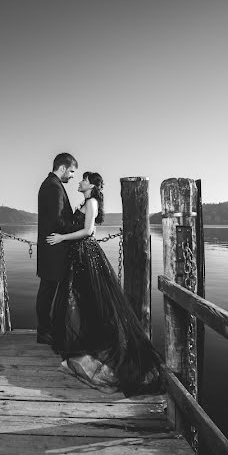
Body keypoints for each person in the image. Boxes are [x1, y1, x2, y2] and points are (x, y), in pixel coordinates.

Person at [45, 172, 160, 395]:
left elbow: (88, 231)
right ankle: (86, 339)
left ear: (92, 185)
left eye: (83, 180)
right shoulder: (86, 202)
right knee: (81, 299)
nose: (79, 182)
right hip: (78, 255)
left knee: (92, 298)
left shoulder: (92, 202)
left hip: (86, 254)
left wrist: (61, 238)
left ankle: (97, 343)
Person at [36, 152, 79, 345]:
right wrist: (79, 227)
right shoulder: (53, 187)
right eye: (71, 171)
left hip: (51, 249)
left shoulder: (51, 184)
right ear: (62, 168)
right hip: (53, 251)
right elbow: (58, 221)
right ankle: (45, 332)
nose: (72, 175)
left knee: (48, 291)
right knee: (48, 292)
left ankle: (47, 330)